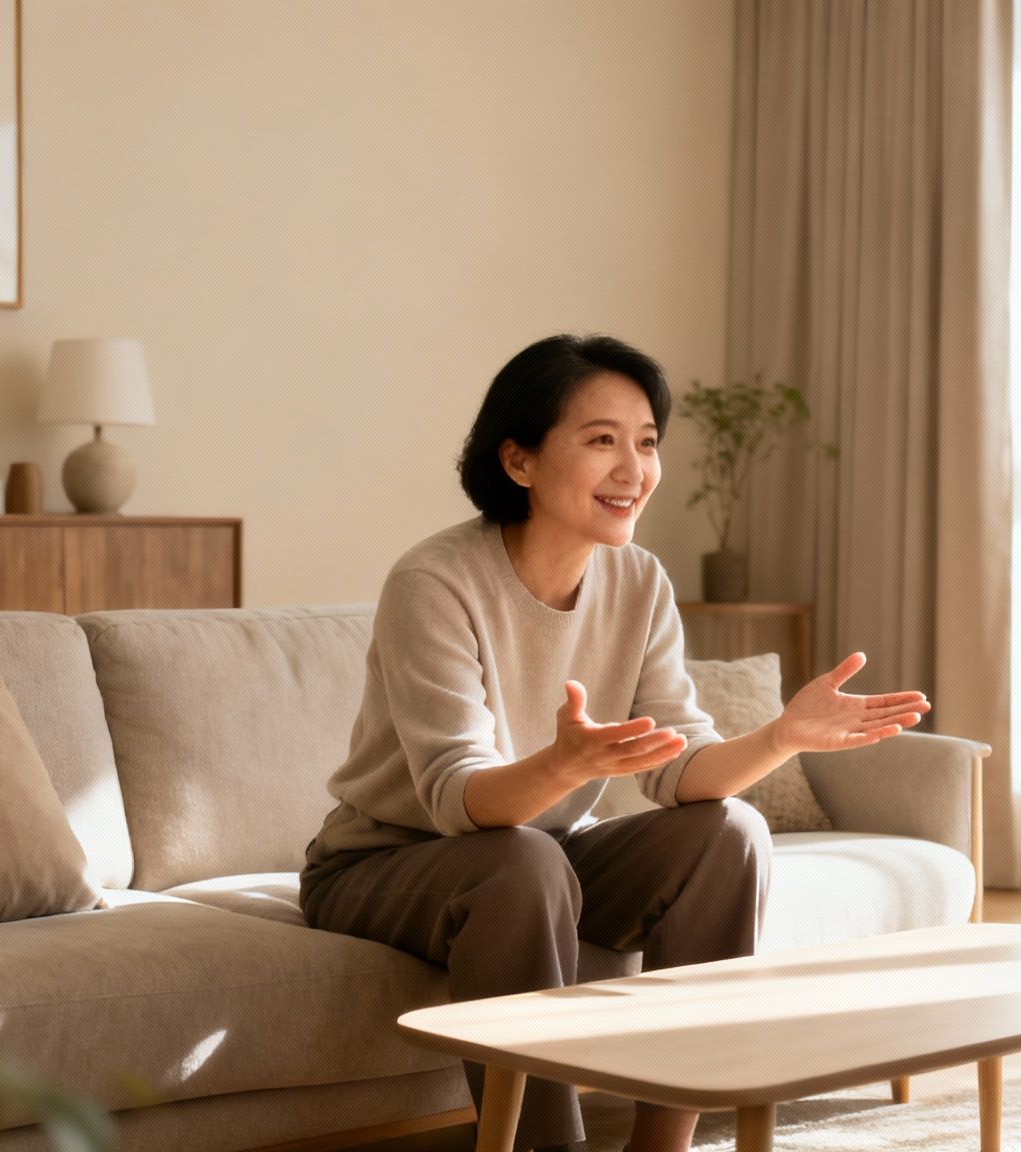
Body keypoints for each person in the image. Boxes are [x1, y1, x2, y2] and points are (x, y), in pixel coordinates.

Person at [300, 334, 931, 1152]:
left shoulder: (640, 581)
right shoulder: (435, 582)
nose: (634, 470)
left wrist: (779, 737)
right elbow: (459, 799)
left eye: (646, 443)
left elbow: (682, 771)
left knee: (727, 833)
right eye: (602, 441)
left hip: (541, 858)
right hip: (384, 862)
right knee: (518, 860)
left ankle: (664, 1141)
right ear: (519, 461)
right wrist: (561, 765)